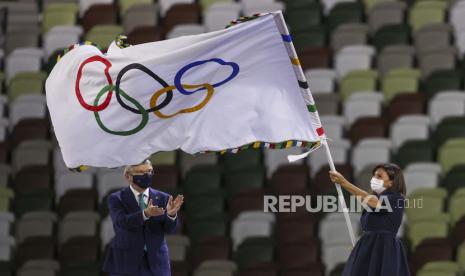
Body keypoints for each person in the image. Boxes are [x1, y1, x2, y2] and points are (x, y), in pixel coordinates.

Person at [103, 159, 184, 276]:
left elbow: (172, 230)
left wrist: (171, 215)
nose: (147, 175)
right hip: (126, 262)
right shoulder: (116, 198)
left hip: (156, 263)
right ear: (128, 177)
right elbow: (121, 222)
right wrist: (145, 214)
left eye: (150, 171)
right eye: (141, 172)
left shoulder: (164, 198)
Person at [329, 163, 410, 276]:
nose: (374, 179)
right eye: (374, 176)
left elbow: (371, 200)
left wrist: (344, 183)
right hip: (369, 248)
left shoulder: (396, 198)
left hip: (385, 249)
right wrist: (362, 245)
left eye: (379, 176)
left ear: (392, 182)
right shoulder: (373, 204)